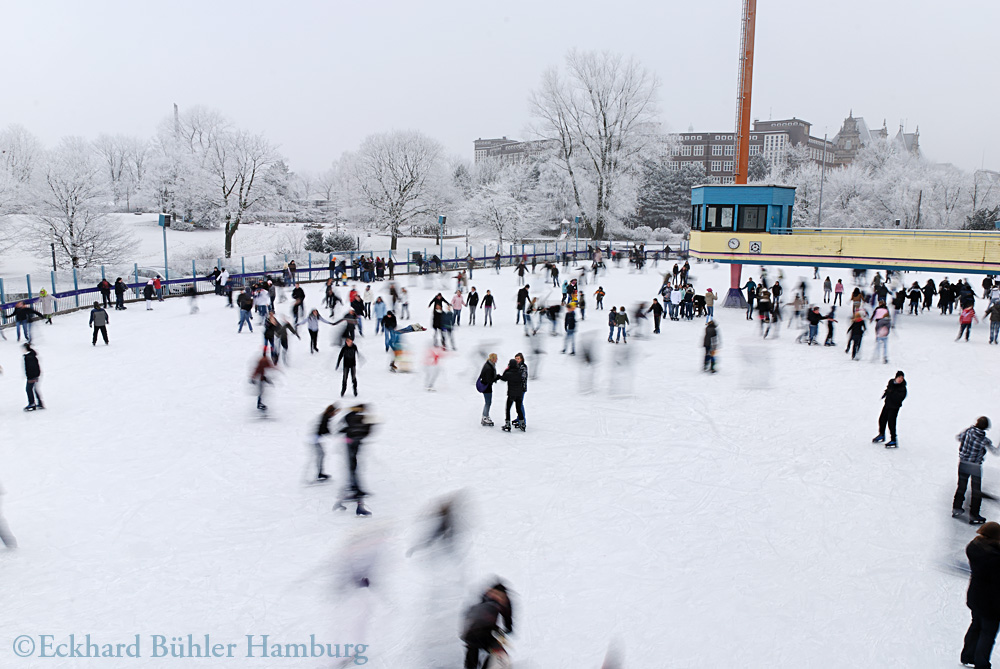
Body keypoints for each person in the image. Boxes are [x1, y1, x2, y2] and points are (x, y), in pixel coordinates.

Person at [962, 521, 1000, 668]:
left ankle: (968, 655)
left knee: (976, 625)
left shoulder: (974, 547)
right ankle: (981, 663)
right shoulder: (995, 558)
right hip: (991, 602)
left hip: (976, 596)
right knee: (987, 634)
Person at [954, 417, 998, 525]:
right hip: (975, 467)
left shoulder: (968, 432)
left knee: (961, 486)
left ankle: (956, 508)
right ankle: (974, 515)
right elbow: (996, 452)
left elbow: (958, 438)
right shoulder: (984, 440)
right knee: (976, 491)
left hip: (963, 463)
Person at [461, 581, 515, 669]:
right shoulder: (491, 601)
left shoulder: (493, 599)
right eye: (496, 594)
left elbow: (506, 616)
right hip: (478, 632)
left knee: (476, 647)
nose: (499, 597)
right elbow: (477, 617)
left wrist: (505, 628)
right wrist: (502, 630)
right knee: (494, 651)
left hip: (477, 632)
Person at [333, 403, 374, 516]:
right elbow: (367, 430)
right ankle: (357, 504)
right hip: (352, 446)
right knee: (353, 473)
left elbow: (341, 428)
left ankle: (345, 499)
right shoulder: (358, 417)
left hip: (352, 445)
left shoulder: (351, 416)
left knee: (353, 472)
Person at [872, 370, 906, 448]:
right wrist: (886, 393)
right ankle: (881, 434)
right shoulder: (891, 382)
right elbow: (888, 389)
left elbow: (899, 398)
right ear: (896, 377)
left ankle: (893, 440)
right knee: (882, 419)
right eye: (899, 377)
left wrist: (892, 393)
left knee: (891, 423)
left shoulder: (903, 388)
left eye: (902, 378)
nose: (900, 379)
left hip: (894, 407)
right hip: (887, 404)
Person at [499, 354, 527, 432]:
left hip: (511, 394)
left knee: (508, 409)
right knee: (518, 409)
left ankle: (508, 424)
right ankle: (522, 423)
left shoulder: (509, 373)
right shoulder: (519, 372)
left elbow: (503, 378)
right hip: (519, 393)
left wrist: (506, 370)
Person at [312, 404, 337, 482]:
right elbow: (323, 429)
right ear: (331, 412)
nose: (334, 414)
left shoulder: (326, 416)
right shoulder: (325, 417)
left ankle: (320, 472)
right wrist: (329, 433)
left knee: (321, 455)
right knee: (321, 455)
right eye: (334, 412)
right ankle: (319, 473)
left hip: (316, 437)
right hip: (315, 438)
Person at [478, 353, 498, 426]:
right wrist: (497, 378)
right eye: (496, 358)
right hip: (487, 387)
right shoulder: (488, 367)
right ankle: (485, 417)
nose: (497, 360)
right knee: (488, 402)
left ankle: (486, 416)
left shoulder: (489, 365)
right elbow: (489, 379)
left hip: (487, 386)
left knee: (488, 402)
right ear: (492, 359)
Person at [23, 343, 43, 411]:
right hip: (36, 375)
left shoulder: (28, 357)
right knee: (34, 389)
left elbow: (30, 367)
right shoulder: (32, 354)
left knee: (28, 389)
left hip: (32, 376)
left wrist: (30, 377)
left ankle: (32, 403)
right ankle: (40, 403)